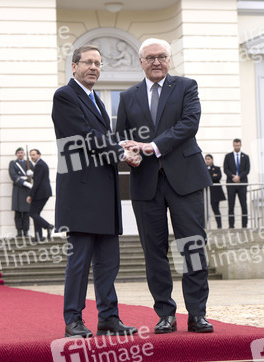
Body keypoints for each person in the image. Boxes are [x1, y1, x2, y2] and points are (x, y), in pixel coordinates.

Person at [116, 38, 214, 334]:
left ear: (169, 60)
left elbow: (189, 124)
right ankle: (165, 314)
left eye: (161, 57)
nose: (156, 61)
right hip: (146, 183)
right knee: (153, 251)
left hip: (185, 179)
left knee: (192, 247)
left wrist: (152, 146)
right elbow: (122, 135)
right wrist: (128, 153)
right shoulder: (127, 96)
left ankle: (197, 314)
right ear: (141, 62)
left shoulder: (186, 86)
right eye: (150, 57)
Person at [52, 44, 139, 338]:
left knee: (108, 262)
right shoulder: (65, 96)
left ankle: (109, 317)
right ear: (74, 66)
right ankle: (73, 320)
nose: (93, 68)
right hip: (81, 195)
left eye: (98, 64)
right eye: (88, 62)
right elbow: (83, 138)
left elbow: (102, 139)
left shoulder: (98, 102)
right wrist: (121, 151)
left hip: (105, 194)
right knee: (79, 262)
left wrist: (123, 149)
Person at [26, 149, 53, 242]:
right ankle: (39, 237)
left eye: (34, 155)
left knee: (32, 213)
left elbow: (37, 182)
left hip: (41, 193)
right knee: (35, 213)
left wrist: (30, 195)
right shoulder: (40, 164)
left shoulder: (40, 165)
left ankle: (47, 226)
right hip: (42, 193)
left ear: (39, 155)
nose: (32, 157)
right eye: (31, 155)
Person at [223, 139, 250, 229]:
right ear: (233, 145)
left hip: (242, 184)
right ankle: (231, 226)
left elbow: (247, 169)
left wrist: (239, 177)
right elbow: (225, 169)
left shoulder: (245, 157)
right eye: (235, 145)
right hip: (231, 184)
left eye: (238, 145)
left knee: (244, 205)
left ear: (241, 145)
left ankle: (244, 226)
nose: (237, 147)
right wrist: (232, 176)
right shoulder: (228, 156)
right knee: (231, 205)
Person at [8, 147, 34, 237]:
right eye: (19, 152)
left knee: (26, 212)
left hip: (27, 191)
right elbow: (13, 175)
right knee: (18, 212)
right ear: (16, 154)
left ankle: (26, 231)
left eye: (22, 152)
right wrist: (24, 182)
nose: (20, 154)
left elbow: (36, 173)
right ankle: (19, 231)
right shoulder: (13, 163)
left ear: (24, 154)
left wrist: (32, 173)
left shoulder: (29, 163)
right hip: (18, 189)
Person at [205, 154, 226, 229]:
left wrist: (209, 178)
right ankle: (204, 227)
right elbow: (203, 179)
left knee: (216, 209)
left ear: (212, 160)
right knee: (205, 211)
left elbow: (218, 177)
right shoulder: (203, 169)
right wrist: (212, 176)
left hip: (215, 193)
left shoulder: (216, 168)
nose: (207, 160)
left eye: (209, 159)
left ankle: (219, 226)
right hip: (205, 193)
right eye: (206, 159)